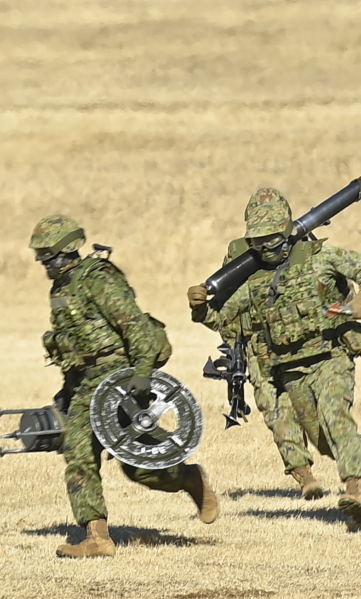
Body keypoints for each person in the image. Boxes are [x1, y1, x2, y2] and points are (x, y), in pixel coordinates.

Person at [196, 187, 361, 527]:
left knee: (337, 419)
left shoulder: (318, 257)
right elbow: (225, 318)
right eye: (258, 242)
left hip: (330, 357)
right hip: (288, 368)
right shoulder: (254, 281)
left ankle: (355, 492)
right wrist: (200, 308)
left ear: (288, 232)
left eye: (272, 239)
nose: (265, 248)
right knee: (325, 442)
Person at [30, 215, 219, 558]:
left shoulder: (98, 280)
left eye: (47, 254)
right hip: (85, 382)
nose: (42, 262)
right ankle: (102, 534)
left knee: (108, 458)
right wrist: (67, 391)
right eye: (39, 255)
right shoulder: (61, 289)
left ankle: (185, 481)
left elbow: (137, 330)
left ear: (66, 250)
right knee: (107, 460)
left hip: (117, 376)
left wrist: (142, 376)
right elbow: (70, 346)